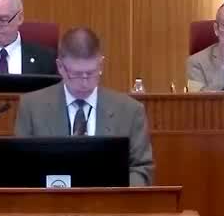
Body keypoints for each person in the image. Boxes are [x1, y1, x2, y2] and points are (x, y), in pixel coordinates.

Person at [14, 27, 155, 186]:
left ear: (101, 65)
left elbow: (142, 169)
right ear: (60, 67)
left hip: (110, 200)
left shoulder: (130, 111)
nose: (84, 82)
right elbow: (20, 168)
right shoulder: (32, 107)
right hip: (50, 199)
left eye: (91, 73)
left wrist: (115, 192)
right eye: (76, 74)